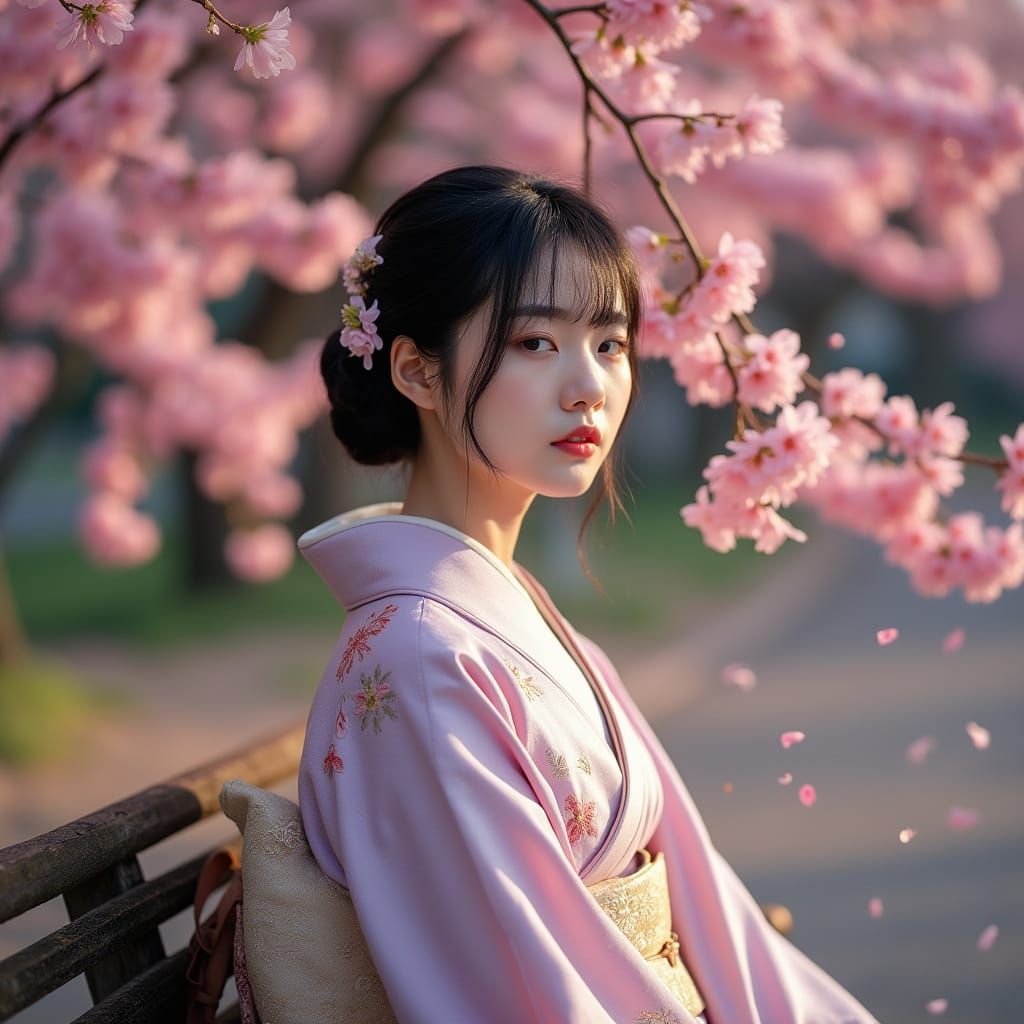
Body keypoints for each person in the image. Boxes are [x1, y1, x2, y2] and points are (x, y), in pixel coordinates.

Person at [296, 165, 881, 1024]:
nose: (589, 386)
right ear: (417, 372)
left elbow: (706, 908)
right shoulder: (417, 660)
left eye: (609, 345)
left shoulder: (483, 616)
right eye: (536, 343)